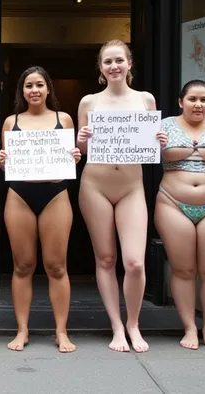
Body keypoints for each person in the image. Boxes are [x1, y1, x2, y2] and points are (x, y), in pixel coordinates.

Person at [76, 39, 167, 353]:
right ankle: (116, 325)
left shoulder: (145, 99)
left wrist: (160, 139)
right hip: (95, 185)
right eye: (107, 62)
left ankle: (133, 323)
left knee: (134, 262)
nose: (113, 66)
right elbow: (81, 151)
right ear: (101, 69)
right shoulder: (89, 102)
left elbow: (154, 147)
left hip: (131, 186)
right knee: (105, 259)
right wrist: (82, 138)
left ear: (129, 64)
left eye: (119, 60)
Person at [0, 66, 81, 353]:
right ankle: (22, 330)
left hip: (55, 192)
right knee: (22, 265)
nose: (34, 90)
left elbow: (71, 159)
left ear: (48, 89)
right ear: (21, 91)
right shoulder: (11, 122)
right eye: (28, 85)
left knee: (57, 265)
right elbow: (6, 165)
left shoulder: (64, 119)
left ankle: (62, 331)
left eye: (39, 85)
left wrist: (75, 156)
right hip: (20, 193)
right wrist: (2, 159)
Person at [155, 79, 205, 350]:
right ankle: (189, 327)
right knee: (184, 268)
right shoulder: (164, 126)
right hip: (173, 202)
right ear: (181, 102)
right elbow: (147, 152)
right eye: (192, 99)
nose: (198, 104)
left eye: (203, 100)